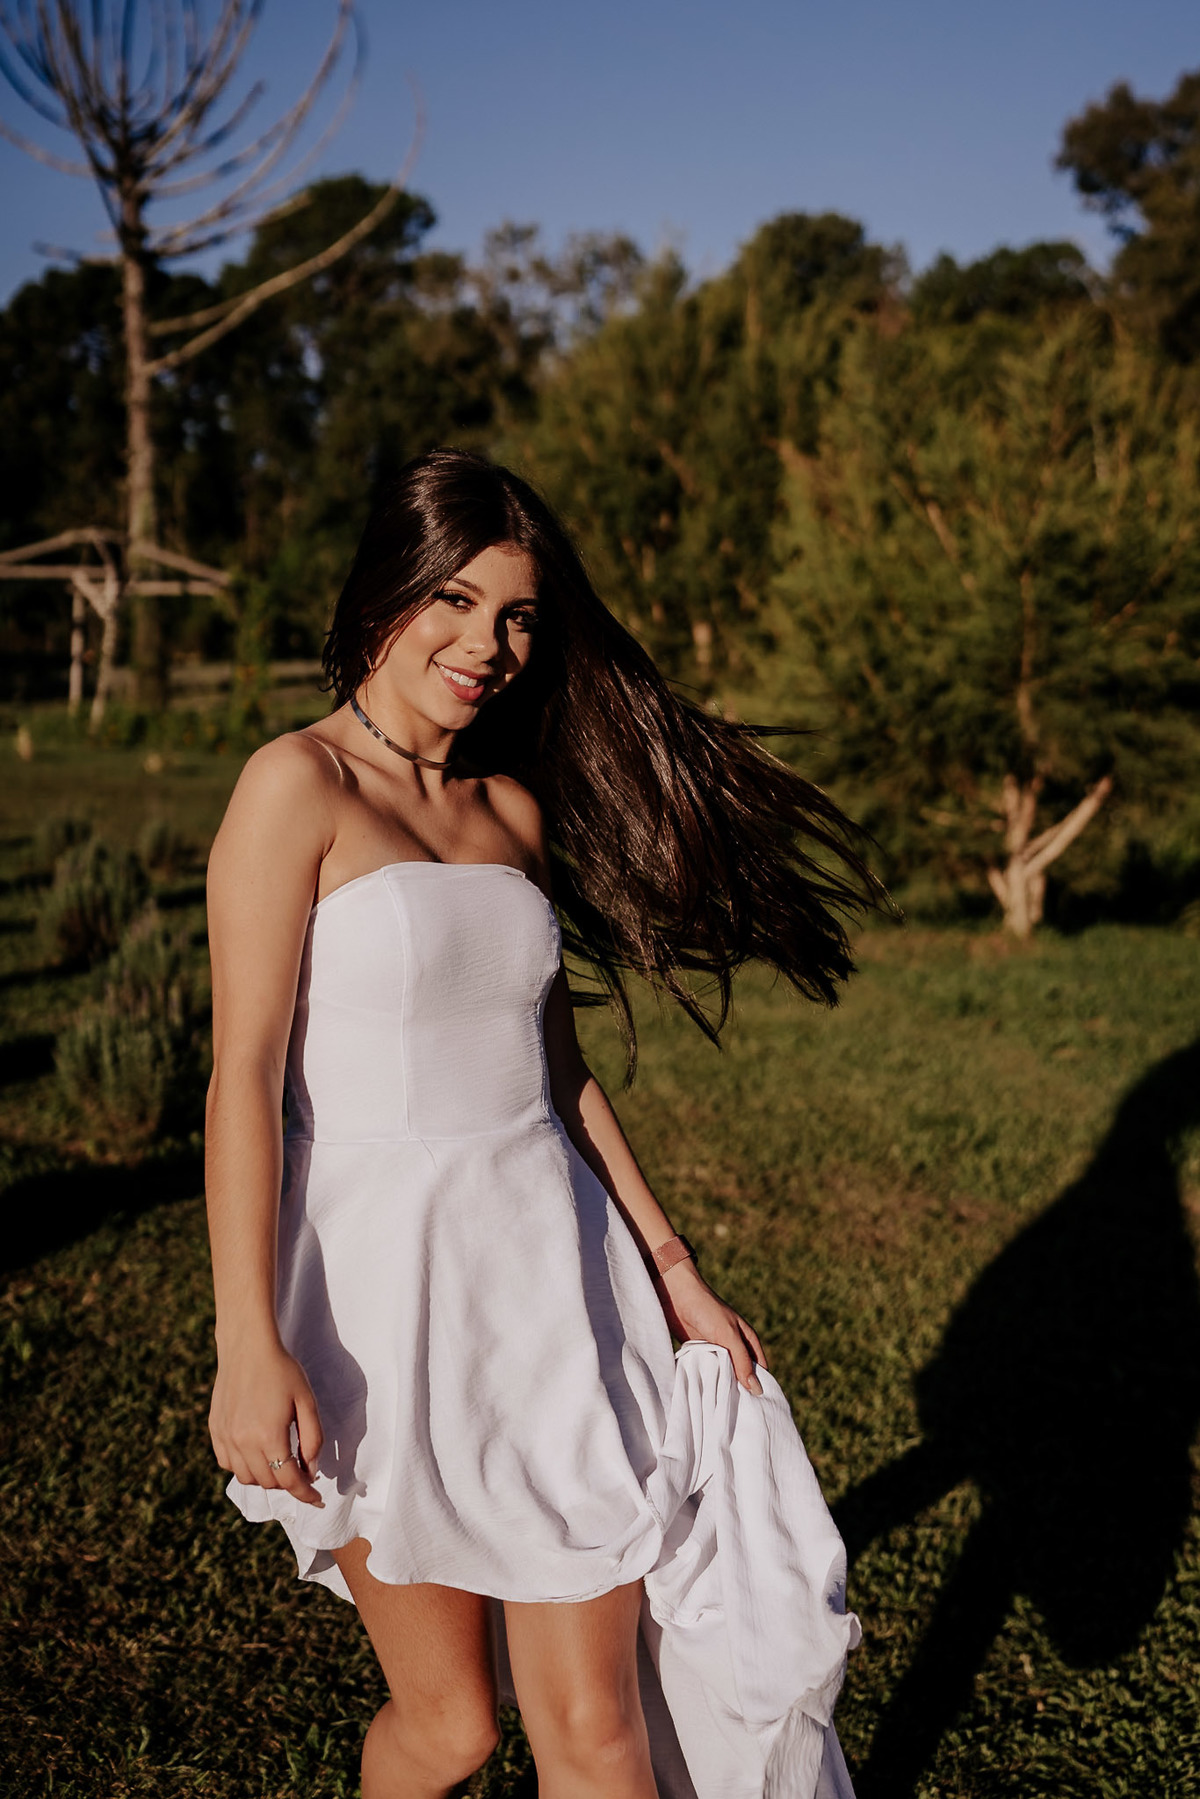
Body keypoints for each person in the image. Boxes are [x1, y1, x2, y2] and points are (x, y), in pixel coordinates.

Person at [204, 448, 872, 1799]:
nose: (487, 645)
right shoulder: (297, 785)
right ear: (387, 592)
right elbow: (245, 1075)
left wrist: (673, 1269)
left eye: (516, 616)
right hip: (383, 1305)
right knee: (451, 1730)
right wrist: (245, 1342)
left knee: (598, 1733)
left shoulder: (509, 809)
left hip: (557, 1297)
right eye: (454, 600)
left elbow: (557, 1075)